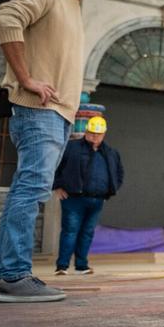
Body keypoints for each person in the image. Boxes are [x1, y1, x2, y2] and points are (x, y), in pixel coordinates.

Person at [0, 0, 108, 303]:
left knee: (33, 189)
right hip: (38, 111)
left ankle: (14, 274)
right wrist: (25, 79)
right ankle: (11, 276)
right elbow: (6, 19)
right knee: (30, 188)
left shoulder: (73, 8)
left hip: (57, 116)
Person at [53, 115, 124, 275]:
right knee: (70, 231)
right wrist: (57, 186)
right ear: (86, 131)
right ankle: (62, 266)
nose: (94, 137)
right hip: (73, 198)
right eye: (91, 133)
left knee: (87, 232)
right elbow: (56, 165)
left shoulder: (111, 153)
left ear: (104, 134)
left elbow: (119, 173)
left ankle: (81, 266)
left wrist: (111, 189)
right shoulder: (72, 147)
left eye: (98, 134)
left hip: (97, 200)